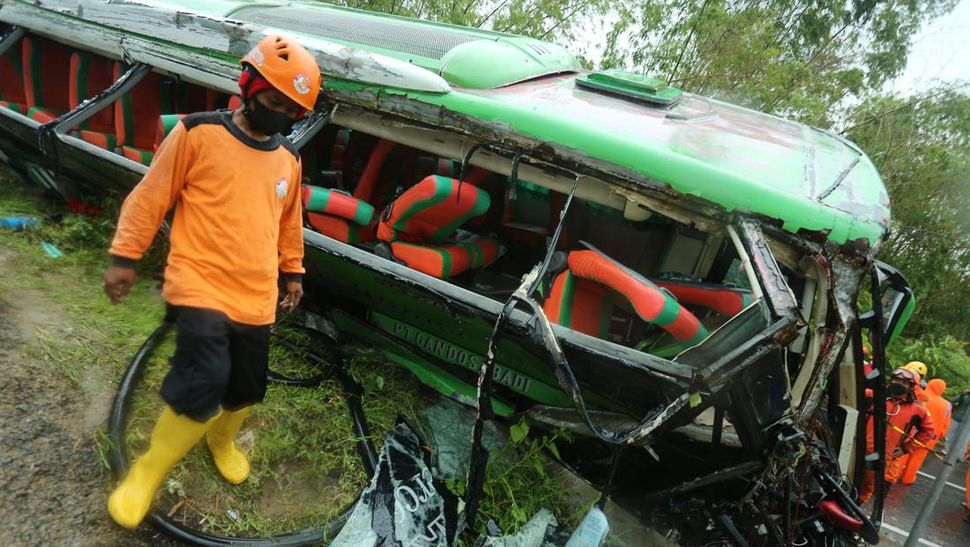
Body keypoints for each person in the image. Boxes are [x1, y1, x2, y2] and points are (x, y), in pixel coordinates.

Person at [101, 35, 321, 529]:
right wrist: (123, 257)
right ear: (248, 85)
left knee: (244, 388)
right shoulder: (196, 134)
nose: (280, 114)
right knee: (203, 382)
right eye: (273, 101)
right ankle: (146, 472)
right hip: (198, 282)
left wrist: (293, 271)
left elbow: (289, 222)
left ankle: (222, 440)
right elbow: (148, 198)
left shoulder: (288, 159)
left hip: (255, 295)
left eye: (292, 110)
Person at [858, 367, 936, 503]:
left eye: (904, 382)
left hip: (881, 457)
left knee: (865, 490)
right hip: (856, 447)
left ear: (911, 386)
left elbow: (929, 431)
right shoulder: (872, 396)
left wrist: (906, 448)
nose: (899, 383)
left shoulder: (917, 411)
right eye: (896, 380)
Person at [899, 378, 952, 484]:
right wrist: (938, 435)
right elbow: (945, 425)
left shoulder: (919, 395)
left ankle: (894, 475)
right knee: (917, 459)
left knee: (903, 454)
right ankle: (908, 478)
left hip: (912, 431)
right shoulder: (947, 405)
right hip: (930, 437)